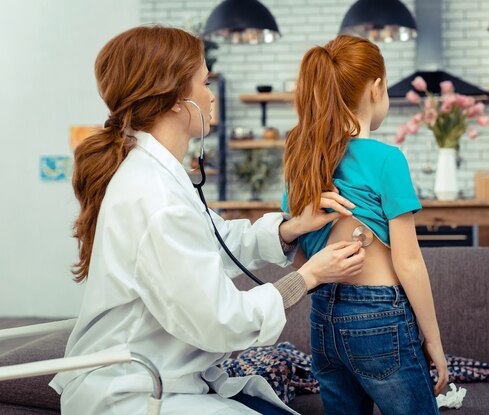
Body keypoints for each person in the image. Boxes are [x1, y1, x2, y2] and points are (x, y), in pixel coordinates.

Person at [49, 26, 365, 415]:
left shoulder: (158, 176)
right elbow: (220, 321)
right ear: (177, 100)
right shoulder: (156, 197)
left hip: (165, 378)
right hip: (134, 390)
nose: (212, 94)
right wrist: (309, 276)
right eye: (205, 81)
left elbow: (212, 242)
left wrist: (290, 227)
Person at [282, 34, 449, 415]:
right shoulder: (387, 159)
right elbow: (408, 263)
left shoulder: (302, 159)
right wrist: (434, 342)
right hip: (380, 318)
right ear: (376, 89)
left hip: (323, 318)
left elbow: (298, 260)